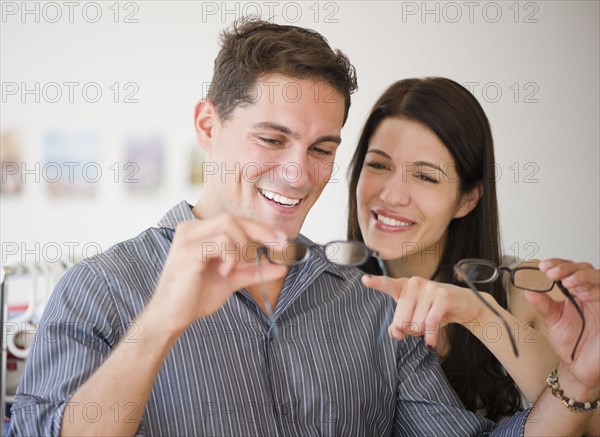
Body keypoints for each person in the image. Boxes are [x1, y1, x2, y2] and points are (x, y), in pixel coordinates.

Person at [8, 20, 598, 436]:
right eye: (271, 138)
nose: (297, 174)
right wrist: (162, 321)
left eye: (321, 148)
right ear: (208, 125)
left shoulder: (366, 297)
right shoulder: (99, 290)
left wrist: (574, 387)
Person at [347, 77, 599, 432]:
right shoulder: (324, 295)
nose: (391, 195)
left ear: (469, 198)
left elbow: (588, 426)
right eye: (378, 165)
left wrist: (480, 314)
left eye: (425, 177)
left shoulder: (531, 290)